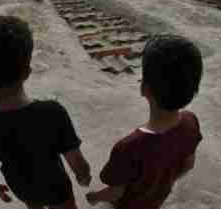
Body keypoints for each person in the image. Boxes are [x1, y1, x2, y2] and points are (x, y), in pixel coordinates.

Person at [0, 16, 91, 209]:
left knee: (32, 203)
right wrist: (84, 177)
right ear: (27, 71)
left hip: (21, 187)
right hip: (56, 188)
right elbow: (78, 162)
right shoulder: (51, 113)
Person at [86, 34, 203, 209]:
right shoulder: (191, 122)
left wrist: (94, 197)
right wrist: (166, 180)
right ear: (194, 91)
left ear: (144, 89)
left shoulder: (128, 147)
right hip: (157, 200)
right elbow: (188, 165)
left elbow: (116, 191)